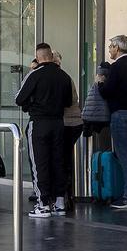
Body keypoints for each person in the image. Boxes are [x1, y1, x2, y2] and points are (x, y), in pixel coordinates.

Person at [16, 44, 74, 218]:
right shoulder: (64, 76)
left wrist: (33, 103)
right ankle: (59, 202)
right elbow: (68, 102)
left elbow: (19, 99)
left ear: (38, 57)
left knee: (39, 163)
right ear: (50, 55)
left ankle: (42, 204)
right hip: (58, 123)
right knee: (58, 161)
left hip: (39, 123)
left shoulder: (34, 75)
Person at [97, 34, 127, 210]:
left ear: (117, 48)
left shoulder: (117, 67)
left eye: (110, 47)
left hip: (120, 115)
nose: (109, 50)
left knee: (124, 155)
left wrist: (100, 83)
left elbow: (107, 92)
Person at [52, 51, 83, 213]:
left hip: (65, 123)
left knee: (61, 160)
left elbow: (65, 102)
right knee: (65, 160)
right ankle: (66, 196)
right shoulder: (66, 77)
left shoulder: (60, 78)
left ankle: (63, 196)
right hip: (74, 123)